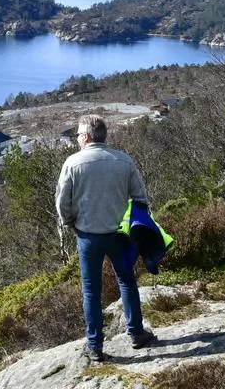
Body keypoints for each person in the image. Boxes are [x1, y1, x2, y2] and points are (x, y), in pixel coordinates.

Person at [56, 114, 158, 362]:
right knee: (126, 281)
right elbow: (141, 198)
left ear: (87, 136)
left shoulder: (73, 163)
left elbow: (62, 203)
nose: (78, 138)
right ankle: (136, 333)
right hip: (119, 236)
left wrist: (70, 223)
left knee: (91, 290)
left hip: (88, 236)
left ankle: (94, 347)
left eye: (79, 134)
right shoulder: (124, 161)